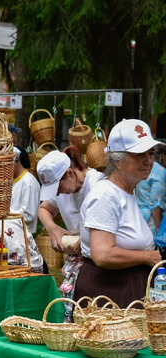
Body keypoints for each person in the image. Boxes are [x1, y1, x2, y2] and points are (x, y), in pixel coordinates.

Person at [75, 119, 162, 307]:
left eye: (151, 153)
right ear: (118, 160)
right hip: (109, 292)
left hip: (123, 287)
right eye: (140, 154)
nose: (148, 161)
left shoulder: (127, 191)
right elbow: (103, 254)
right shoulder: (106, 195)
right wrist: (148, 257)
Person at [37, 147, 104, 255]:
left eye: (57, 188)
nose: (57, 193)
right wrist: (52, 228)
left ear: (69, 173)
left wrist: (85, 240)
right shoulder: (63, 190)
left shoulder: (98, 185)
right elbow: (43, 208)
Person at [10, 146, 40, 235]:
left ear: (14, 162)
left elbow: (29, 215)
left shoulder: (28, 183)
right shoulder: (11, 181)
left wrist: (4, 213)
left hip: (22, 237)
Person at [135, 154, 166, 237]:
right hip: (153, 220)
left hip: (141, 216)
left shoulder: (144, 168)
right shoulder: (160, 171)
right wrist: (159, 227)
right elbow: (155, 203)